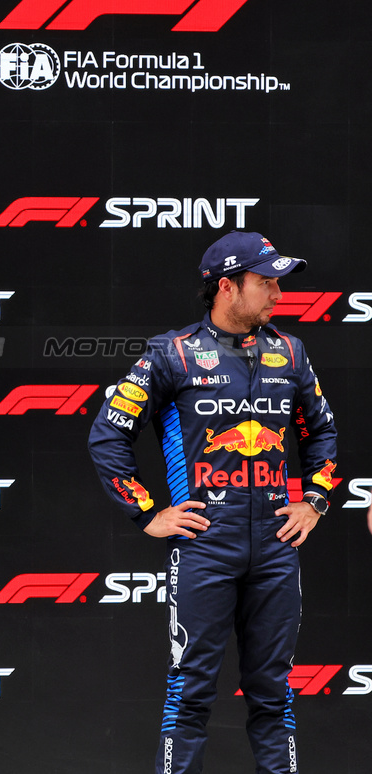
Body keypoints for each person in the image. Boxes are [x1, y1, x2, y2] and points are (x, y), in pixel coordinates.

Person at [88, 230, 337, 774]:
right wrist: (148, 514)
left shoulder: (290, 352)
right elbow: (108, 436)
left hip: (275, 547)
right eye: (266, 281)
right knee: (191, 692)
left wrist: (314, 501)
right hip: (204, 546)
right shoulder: (171, 354)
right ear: (227, 286)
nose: (278, 293)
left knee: (274, 695)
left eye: (278, 281)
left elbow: (322, 434)